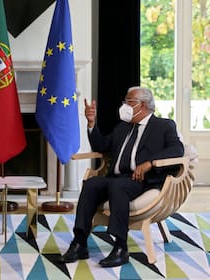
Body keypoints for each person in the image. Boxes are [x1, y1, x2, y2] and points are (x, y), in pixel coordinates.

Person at [58, 86, 184, 267]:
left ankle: (120, 247)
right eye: (125, 102)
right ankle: (79, 243)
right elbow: (101, 146)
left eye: (129, 102)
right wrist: (91, 123)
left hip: (140, 180)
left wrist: (149, 163)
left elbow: (176, 150)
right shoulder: (122, 127)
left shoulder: (164, 125)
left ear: (144, 105)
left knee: (118, 187)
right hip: (116, 177)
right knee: (91, 183)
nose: (124, 105)